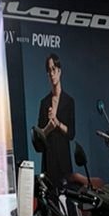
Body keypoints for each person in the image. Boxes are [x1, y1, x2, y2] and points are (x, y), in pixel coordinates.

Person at [36, 54, 75, 184]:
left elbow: (71, 134)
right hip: (49, 163)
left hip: (64, 164)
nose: (52, 74)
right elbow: (38, 140)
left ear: (59, 71)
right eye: (49, 71)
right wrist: (48, 127)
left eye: (54, 69)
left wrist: (57, 123)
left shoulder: (69, 101)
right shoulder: (44, 103)